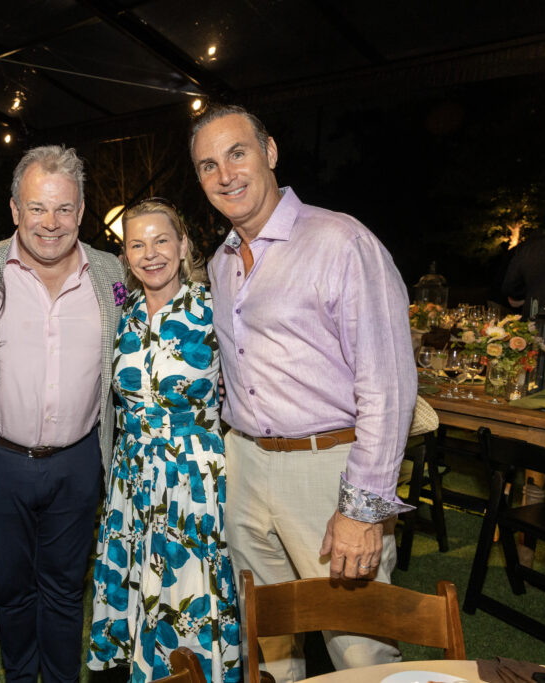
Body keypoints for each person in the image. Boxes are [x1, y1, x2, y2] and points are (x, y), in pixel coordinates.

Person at [191, 104, 416, 683]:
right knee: (271, 640)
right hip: (245, 465)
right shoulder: (220, 263)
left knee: (360, 648)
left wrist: (362, 508)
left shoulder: (340, 241)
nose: (225, 175)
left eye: (237, 153)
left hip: (328, 470)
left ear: (269, 153)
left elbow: (389, 386)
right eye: (208, 165)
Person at [0, 144, 124, 683]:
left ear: (81, 212)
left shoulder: (111, 274)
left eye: (63, 209)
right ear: (14, 209)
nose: (50, 223)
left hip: (79, 461)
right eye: (37, 208)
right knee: (10, 589)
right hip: (0, 461)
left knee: (64, 589)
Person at [87, 199, 240, 682]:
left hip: (194, 479)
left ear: (183, 245)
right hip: (132, 477)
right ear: (125, 255)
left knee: (189, 595)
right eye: (137, 244)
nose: (150, 254)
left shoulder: (214, 308)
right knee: (140, 593)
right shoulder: (123, 314)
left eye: (161, 241)